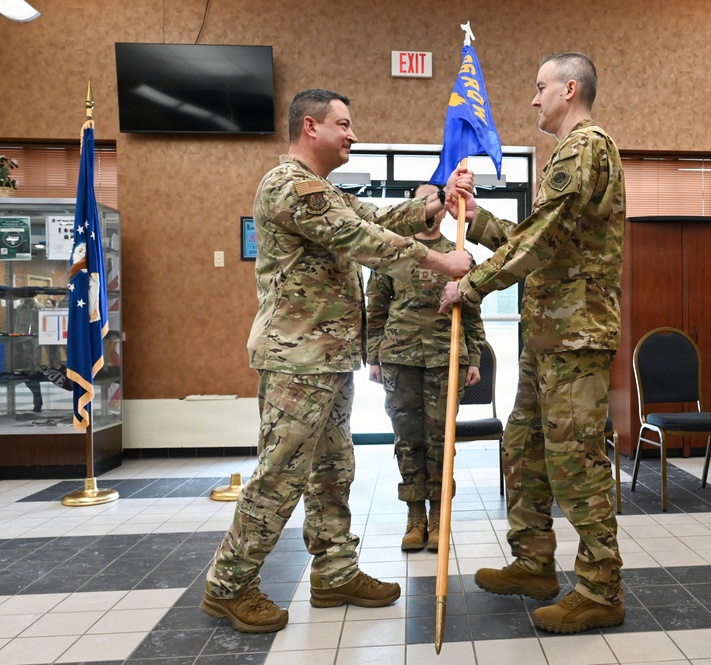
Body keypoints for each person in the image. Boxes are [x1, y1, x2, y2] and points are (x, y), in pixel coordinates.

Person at [201, 89, 473, 634]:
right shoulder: (291, 186)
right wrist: (444, 260)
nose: (352, 134)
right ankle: (228, 585)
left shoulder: (323, 189)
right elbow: (363, 237)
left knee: (331, 471)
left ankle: (334, 571)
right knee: (280, 474)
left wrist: (436, 202)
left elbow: (376, 214)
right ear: (311, 126)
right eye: (343, 124)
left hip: (327, 359)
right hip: (297, 359)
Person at [439, 52, 626, 634]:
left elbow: (541, 240)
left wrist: (470, 285)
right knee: (524, 452)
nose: (532, 98)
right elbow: (534, 235)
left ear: (570, 90)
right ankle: (534, 562)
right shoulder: (565, 155)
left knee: (577, 462)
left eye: (540, 87)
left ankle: (600, 588)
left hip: (577, 334)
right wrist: (471, 213)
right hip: (549, 336)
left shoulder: (587, 146)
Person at [366, 182, 486, 553]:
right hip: (399, 359)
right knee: (407, 440)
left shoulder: (458, 255)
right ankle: (414, 515)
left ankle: (438, 516)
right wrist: (373, 357)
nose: (428, 208)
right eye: (421, 203)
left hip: (445, 360)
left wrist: (475, 357)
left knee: (441, 441)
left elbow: (472, 313)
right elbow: (375, 309)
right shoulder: (393, 253)